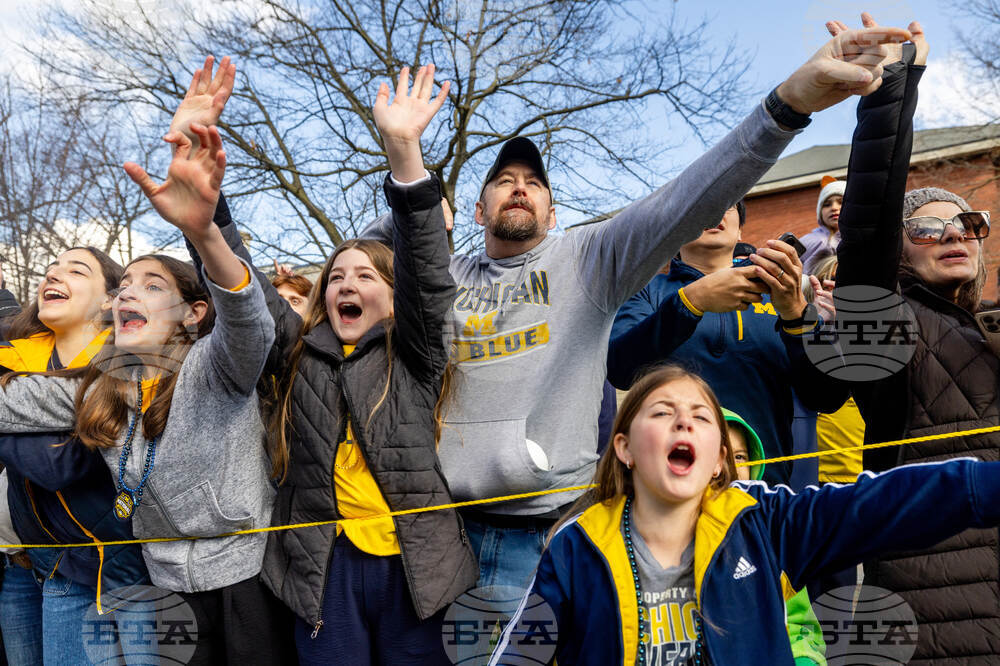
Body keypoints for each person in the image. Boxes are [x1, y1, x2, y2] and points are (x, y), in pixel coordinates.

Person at [355, 23, 913, 591]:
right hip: (447, 534)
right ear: (478, 210)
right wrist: (404, 153)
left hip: (554, 534)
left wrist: (789, 103)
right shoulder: (445, 277)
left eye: (534, 183)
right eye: (502, 181)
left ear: (553, 213)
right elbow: (400, 255)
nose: (519, 187)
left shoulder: (590, 258)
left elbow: (690, 193)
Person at [181, 61, 476, 664]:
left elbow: (427, 273)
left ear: (394, 297)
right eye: (336, 275)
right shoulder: (297, 351)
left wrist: (404, 153)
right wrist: (209, 215)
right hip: (325, 571)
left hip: (413, 572)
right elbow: (247, 291)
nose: (347, 283)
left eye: (366, 275)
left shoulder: (414, 351)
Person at [0, 121, 288, 663]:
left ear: (192, 311)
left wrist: (205, 233)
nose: (130, 290)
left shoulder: (215, 365)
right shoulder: (104, 384)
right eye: (125, 283)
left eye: (152, 285)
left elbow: (251, 322)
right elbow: (13, 404)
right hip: (164, 587)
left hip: (244, 578)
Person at [489, 363, 1000, 665]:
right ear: (623, 447)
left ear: (718, 460)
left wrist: (983, 485)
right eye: (663, 412)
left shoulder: (764, 520)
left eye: (701, 416)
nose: (683, 421)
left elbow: (882, 504)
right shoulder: (576, 544)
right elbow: (519, 652)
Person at [829, 15, 1000, 661]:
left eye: (967, 224)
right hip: (941, 621)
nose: (954, 234)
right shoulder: (889, 321)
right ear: (900, 255)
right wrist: (894, 86)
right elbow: (870, 215)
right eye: (928, 229)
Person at [608, 200, 844, 485]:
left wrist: (795, 314)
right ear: (675, 228)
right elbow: (620, 368)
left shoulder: (781, 295)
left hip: (763, 488)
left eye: (728, 205)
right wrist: (690, 303)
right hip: (670, 483)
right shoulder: (645, 292)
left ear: (741, 231)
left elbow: (829, 396)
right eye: (703, 203)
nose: (714, 210)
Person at [0, 247, 151, 665]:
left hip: (133, 571)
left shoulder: (126, 356)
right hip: (56, 569)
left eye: (76, 270)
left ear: (109, 298)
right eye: (50, 269)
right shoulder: (13, 356)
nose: (53, 275)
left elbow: (59, 464)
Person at [724, 408, 827, 666]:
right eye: (717, 455)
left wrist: (805, 661)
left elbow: (800, 626)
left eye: (740, 457)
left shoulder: (770, 539)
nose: (732, 470)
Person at [800, 176, 845, 274]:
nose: (834, 207)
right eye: (827, 204)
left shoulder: (864, 239)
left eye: (841, 202)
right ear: (820, 212)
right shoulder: (808, 242)